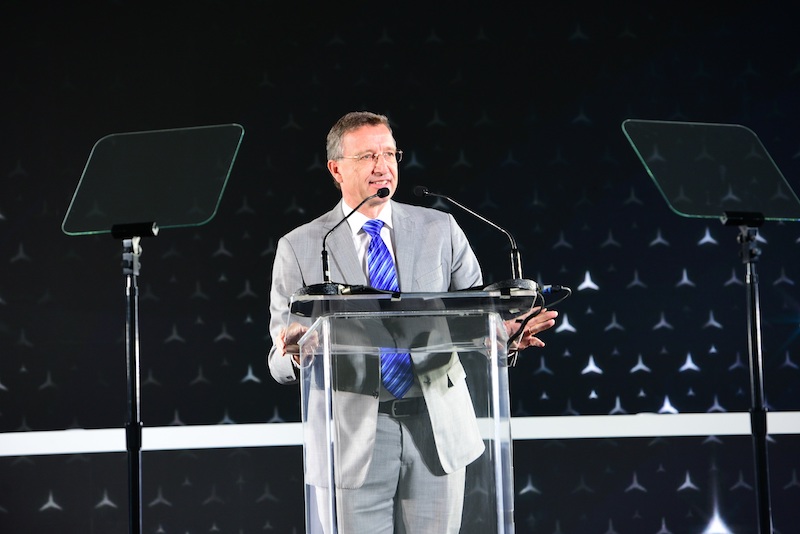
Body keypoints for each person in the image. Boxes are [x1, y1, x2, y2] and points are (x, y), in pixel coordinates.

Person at [268, 111, 557, 533]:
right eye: (368, 156)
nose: (382, 166)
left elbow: (478, 316)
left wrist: (503, 335)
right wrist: (296, 353)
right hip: (352, 439)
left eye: (390, 153)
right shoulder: (302, 246)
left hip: (437, 427)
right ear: (336, 169)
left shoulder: (440, 228)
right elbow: (277, 356)